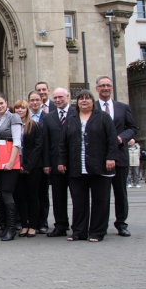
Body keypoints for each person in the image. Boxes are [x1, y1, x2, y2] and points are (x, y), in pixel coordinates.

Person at [58, 89, 118, 242]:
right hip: (77, 167)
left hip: (99, 167)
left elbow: (112, 139)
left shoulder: (103, 117)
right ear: (77, 102)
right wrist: (62, 161)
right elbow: (63, 143)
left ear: (93, 102)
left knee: (100, 201)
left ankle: (97, 232)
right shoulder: (71, 118)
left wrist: (110, 157)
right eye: (81, 99)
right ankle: (79, 231)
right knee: (79, 201)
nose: (84, 101)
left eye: (87, 98)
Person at [95, 75, 137, 236]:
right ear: (97, 88)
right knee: (101, 195)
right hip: (99, 158)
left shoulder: (122, 107)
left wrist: (122, 137)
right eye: (102, 85)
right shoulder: (93, 108)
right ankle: (101, 225)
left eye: (108, 85)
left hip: (120, 156)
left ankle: (121, 223)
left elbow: (132, 127)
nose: (105, 88)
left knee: (121, 193)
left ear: (112, 88)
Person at [41, 88, 75, 237]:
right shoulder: (49, 117)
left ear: (68, 97)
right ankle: (61, 225)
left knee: (77, 196)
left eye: (61, 97)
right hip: (55, 163)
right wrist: (47, 163)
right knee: (58, 197)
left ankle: (79, 225)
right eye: (55, 98)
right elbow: (46, 143)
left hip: (74, 163)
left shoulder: (77, 113)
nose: (58, 100)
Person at [0, 92, 22, 241]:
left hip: (10, 160)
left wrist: (11, 162)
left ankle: (12, 228)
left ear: (6, 102)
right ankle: (5, 228)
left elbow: (17, 141)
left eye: (1, 103)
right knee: (2, 193)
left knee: (8, 192)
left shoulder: (14, 117)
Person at [13, 99, 43, 237]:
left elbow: (38, 147)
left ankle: (33, 225)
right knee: (20, 197)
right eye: (17, 108)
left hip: (33, 167)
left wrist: (27, 166)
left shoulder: (35, 126)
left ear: (27, 110)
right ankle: (24, 225)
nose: (20, 110)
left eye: (22, 108)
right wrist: (18, 165)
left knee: (32, 196)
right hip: (17, 167)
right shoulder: (13, 126)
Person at [27, 90, 49, 234]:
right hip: (30, 163)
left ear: (41, 101)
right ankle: (31, 221)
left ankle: (43, 222)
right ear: (29, 102)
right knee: (30, 194)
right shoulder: (24, 119)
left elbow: (47, 143)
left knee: (43, 193)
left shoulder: (48, 118)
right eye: (32, 100)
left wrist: (48, 163)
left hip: (43, 162)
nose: (35, 102)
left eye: (37, 100)